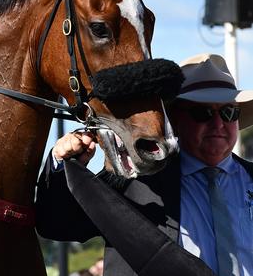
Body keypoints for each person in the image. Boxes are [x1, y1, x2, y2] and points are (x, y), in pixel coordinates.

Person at [35, 53, 253, 276]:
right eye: (202, 112)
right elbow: (58, 224)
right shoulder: (134, 179)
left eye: (229, 112)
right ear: (174, 120)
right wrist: (61, 164)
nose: (218, 124)